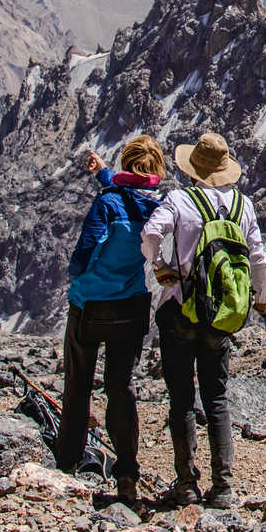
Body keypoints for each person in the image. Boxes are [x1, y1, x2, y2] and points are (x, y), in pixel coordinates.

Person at [141, 131, 266, 507]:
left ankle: (185, 484)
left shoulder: (180, 199)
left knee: (181, 398)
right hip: (223, 316)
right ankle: (223, 487)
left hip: (181, 307)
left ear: (193, 167)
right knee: (216, 397)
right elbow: (259, 257)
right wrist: (260, 301)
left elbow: (150, 234)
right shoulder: (243, 206)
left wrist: (161, 267)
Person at [60, 134, 164, 503]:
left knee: (78, 384)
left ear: (126, 162)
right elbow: (134, 195)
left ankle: (67, 460)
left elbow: (86, 248)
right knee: (121, 387)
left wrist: (76, 274)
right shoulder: (160, 207)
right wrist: (103, 173)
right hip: (130, 307)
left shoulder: (107, 205)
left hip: (89, 304)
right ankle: (126, 472)